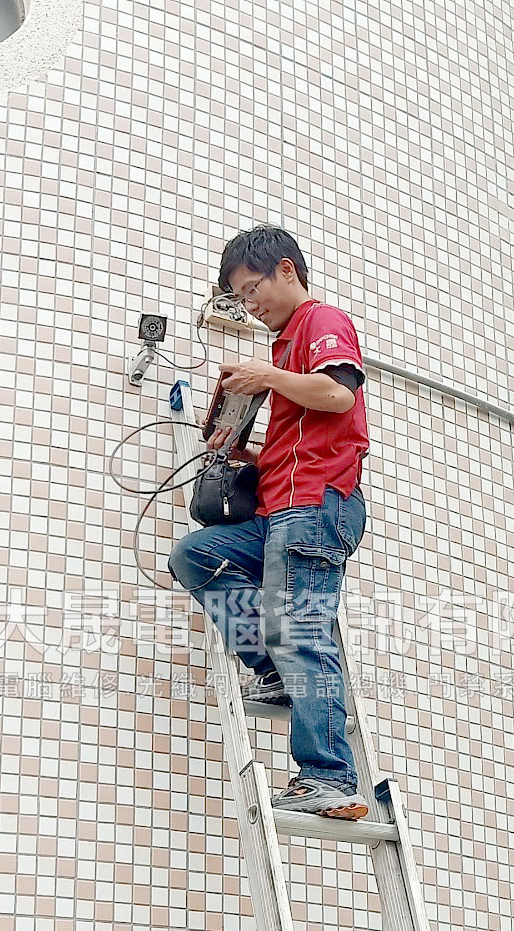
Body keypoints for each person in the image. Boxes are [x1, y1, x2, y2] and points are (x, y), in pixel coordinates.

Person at [168, 225, 370, 820]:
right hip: (280, 507)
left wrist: (267, 378)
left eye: (252, 288)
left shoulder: (321, 322)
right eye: (240, 297)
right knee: (194, 555)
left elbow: (338, 398)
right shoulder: (284, 348)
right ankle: (273, 671)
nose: (250, 304)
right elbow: (304, 431)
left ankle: (332, 777)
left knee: (302, 631)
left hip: (315, 507)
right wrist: (245, 454)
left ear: (287, 271)